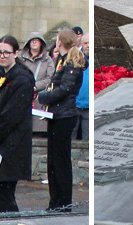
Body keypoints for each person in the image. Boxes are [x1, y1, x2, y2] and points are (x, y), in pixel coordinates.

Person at [37, 30, 82, 213]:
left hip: (65, 116)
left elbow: (64, 89)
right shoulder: (62, 61)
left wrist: (44, 96)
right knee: (53, 162)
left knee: (61, 161)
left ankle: (63, 203)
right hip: (56, 115)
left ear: (61, 41)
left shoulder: (72, 63)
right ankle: (54, 201)